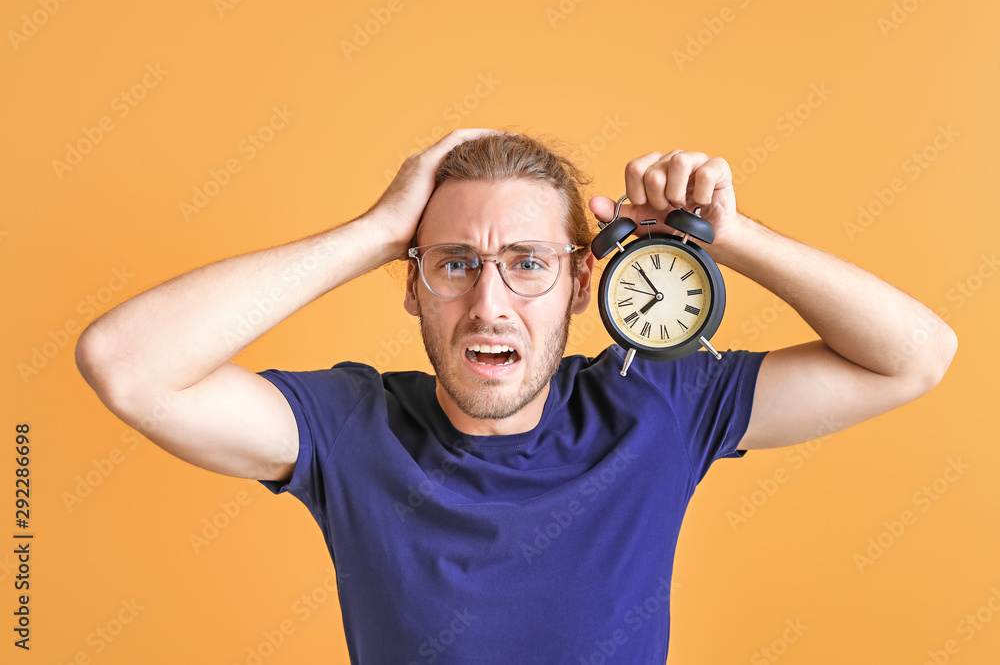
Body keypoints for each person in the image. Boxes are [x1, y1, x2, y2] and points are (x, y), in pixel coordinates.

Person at [75, 128, 957, 662]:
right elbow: (125, 362)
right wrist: (378, 229)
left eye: (527, 264)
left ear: (581, 285)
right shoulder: (351, 430)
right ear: (413, 286)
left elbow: (914, 356)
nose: (489, 304)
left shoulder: (656, 405)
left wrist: (731, 235)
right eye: (457, 264)